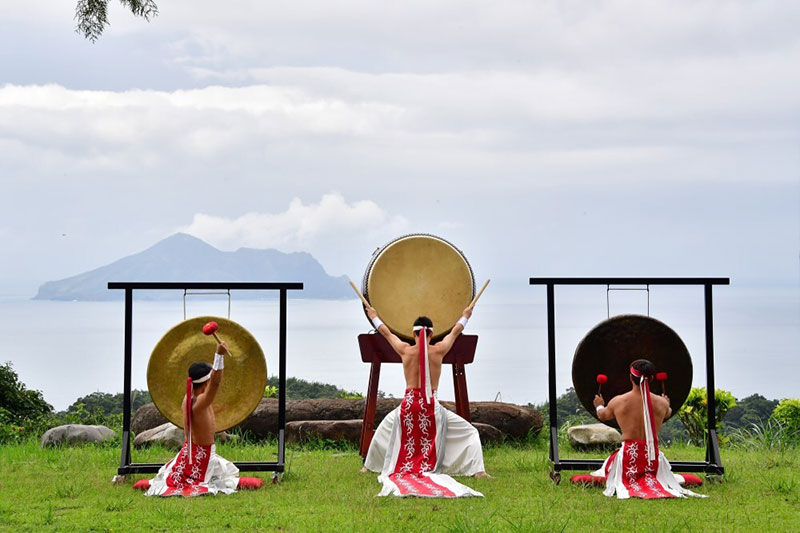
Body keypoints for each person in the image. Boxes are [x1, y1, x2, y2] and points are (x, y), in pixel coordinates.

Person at [362, 304, 486, 498]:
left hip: (407, 406)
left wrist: (374, 316)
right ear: (431, 333)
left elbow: (386, 333)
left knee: (383, 429)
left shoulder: (405, 350)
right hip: (431, 408)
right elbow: (455, 332)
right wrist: (465, 316)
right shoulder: (439, 350)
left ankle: (368, 467)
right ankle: (479, 471)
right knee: (471, 432)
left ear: (413, 334)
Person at [591, 359, 705, 499]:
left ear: (630, 378)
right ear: (651, 379)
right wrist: (666, 402)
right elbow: (668, 412)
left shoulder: (618, 401)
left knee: (606, 471)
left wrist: (599, 405)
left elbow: (602, 415)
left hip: (628, 457)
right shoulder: (662, 403)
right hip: (653, 458)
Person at [143, 342, 241, 497]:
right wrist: (219, 355)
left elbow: (212, 382)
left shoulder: (188, 398)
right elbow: (215, 383)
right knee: (225, 478)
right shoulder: (200, 402)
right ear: (206, 381)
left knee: (224, 472)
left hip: (192, 450)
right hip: (202, 454)